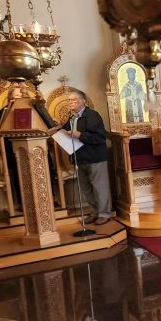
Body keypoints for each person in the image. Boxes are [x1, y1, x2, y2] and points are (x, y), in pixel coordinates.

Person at [56, 89, 112, 225]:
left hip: (95, 158)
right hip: (79, 158)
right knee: (86, 189)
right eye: (68, 100)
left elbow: (100, 138)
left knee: (99, 188)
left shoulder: (92, 115)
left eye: (74, 100)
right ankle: (94, 212)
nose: (70, 103)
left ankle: (104, 214)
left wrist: (80, 135)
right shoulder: (72, 118)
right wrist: (58, 126)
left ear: (83, 102)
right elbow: (66, 132)